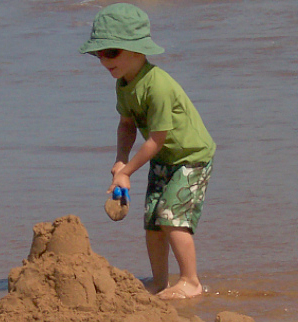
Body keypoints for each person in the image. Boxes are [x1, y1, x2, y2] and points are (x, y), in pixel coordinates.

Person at [80, 3, 216, 299]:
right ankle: (160, 282)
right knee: (153, 221)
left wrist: (127, 172)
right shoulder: (123, 84)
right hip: (163, 157)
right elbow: (127, 125)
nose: (104, 61)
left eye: (111, 52)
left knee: (172, 217)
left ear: (137, 50)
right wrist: (120, 160)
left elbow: (155, 138)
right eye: (98, 53)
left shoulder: (158, 86)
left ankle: (191, 281)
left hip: (191, 157)